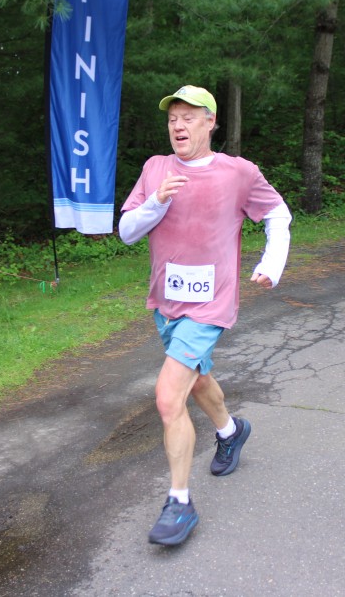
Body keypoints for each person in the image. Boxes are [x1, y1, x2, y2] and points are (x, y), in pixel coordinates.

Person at [118, 85, 292, 546]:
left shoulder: (238, 172)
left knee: (167, 398)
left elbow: (278, 215)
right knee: (195, 380)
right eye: (172, 118)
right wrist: (156, 201)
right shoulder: (155, 168)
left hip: (211, 303)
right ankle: (231, 432)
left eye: (189, 117)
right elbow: (127, 232)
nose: (178, 126)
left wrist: (272, 263)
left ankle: (179, 503)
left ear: (210, 122)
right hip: (166, 301)